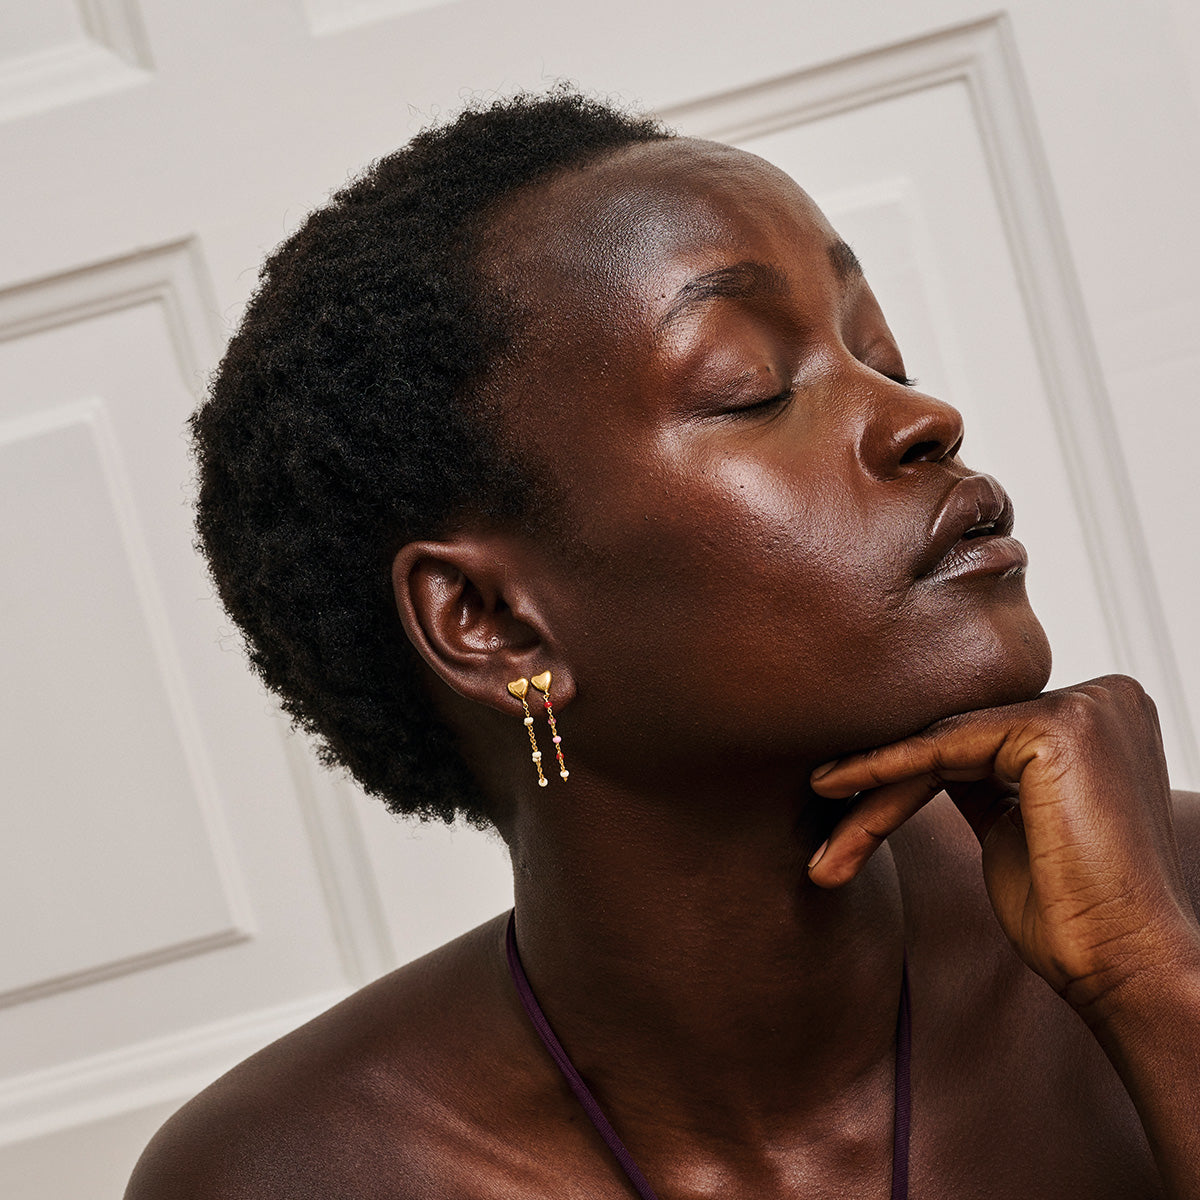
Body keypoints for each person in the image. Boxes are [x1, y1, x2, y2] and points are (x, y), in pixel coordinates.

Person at [125, 89, 1200, 1199]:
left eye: (885, 358)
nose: (921, 419)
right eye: (751, 390)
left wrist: (1152, 983)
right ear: (489, 621)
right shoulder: (300, 1173)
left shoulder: (1177, 908)